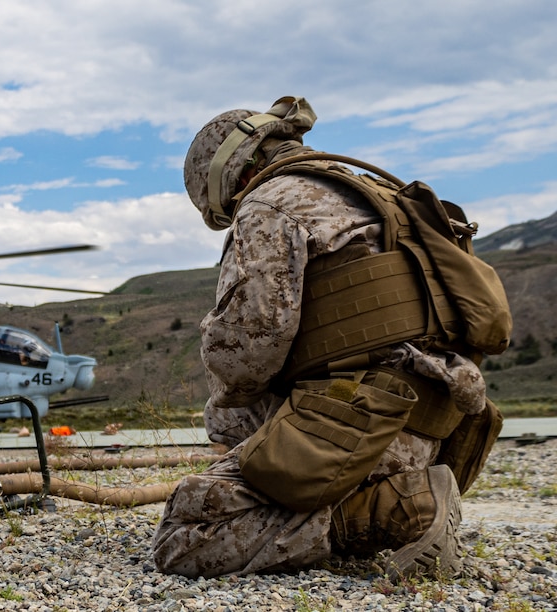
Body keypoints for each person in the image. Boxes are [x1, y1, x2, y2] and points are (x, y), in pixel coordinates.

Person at [152, 96, 499, 582]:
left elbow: (246, 354)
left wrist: (229, 411)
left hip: (360, 421)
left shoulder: (270, 203)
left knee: (186, 534)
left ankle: (390, 510)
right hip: (437, 424)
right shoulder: (376, 195)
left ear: (228, 178)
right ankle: (384, 493)